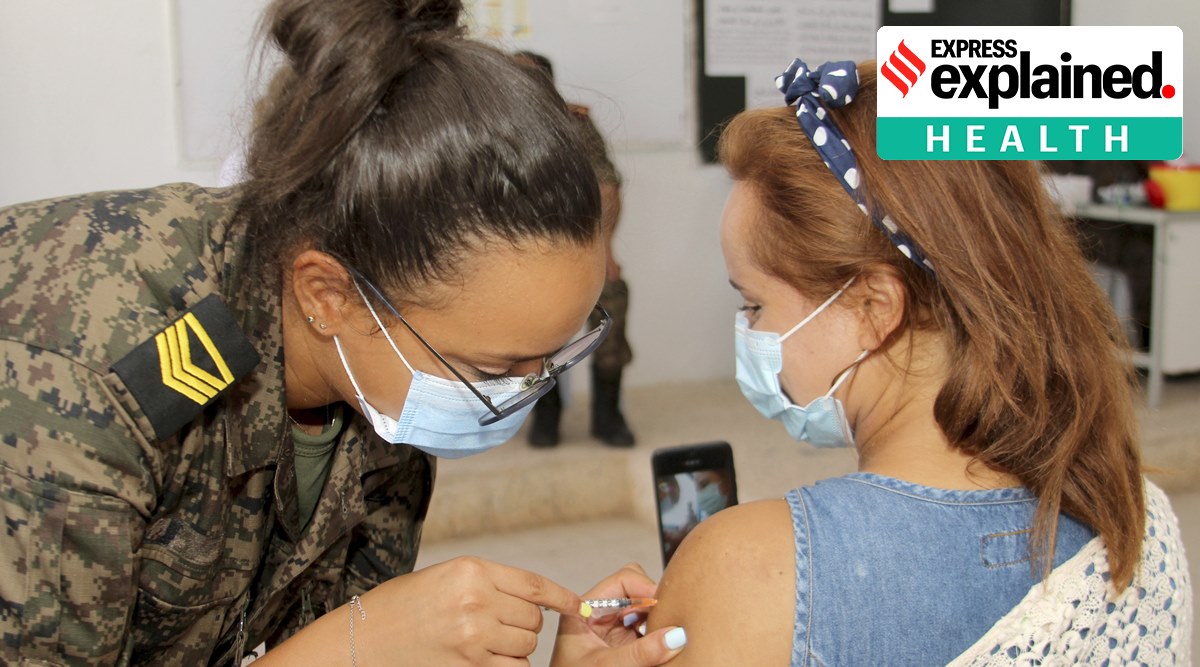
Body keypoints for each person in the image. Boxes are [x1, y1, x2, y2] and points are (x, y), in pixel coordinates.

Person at [0, 1, 686, 664]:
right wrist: (357, 644)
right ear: (328, 297)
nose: (520, 395)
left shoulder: (380, 383)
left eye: (552, 359)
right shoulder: (84, 376)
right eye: (493, 368)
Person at [639, 59, 1192, 664]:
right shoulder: (1141, 520)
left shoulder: (748, 570)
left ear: (875, 307)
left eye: (754, 305)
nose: (748, 333)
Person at [513, 51, 637, 448]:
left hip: (580, 246)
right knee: (533, 336)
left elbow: (606, 184)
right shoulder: (492, 126)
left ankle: (608, 414)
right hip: (523, 257)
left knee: (612, 301)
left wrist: (603, 249)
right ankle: (545, 416)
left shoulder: (574, 122)